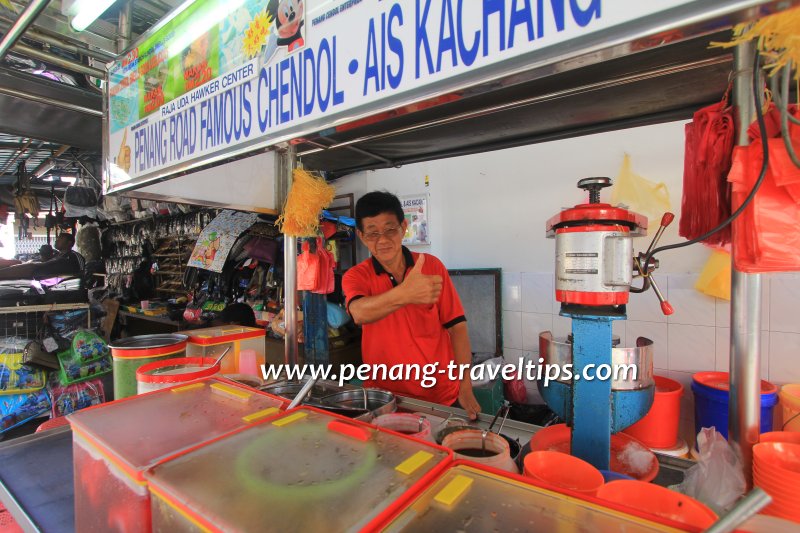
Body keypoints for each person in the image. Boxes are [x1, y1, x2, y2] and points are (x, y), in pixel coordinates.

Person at [343, 191, 481, 419]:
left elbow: (457, 327)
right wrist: (406, 293)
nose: (383, 240)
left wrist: (465, 385)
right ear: (361, 235)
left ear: (404, 226)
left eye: (390, 229)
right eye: (373, 233)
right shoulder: (356, 276)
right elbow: (359, 313)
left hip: (440, 394)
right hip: (385, 399)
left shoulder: (432, 266)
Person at [0, 233, 84, 281]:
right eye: (57, 238)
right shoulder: (56, 255)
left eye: (60, 239)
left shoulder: (75, 256)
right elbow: (44, 261)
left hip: (54, 278)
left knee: (30, 267)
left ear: (69, 243)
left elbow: (82, 271)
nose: (56, 240)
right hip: (42, 276)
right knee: (22, 264)